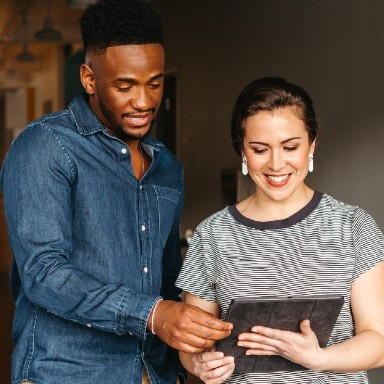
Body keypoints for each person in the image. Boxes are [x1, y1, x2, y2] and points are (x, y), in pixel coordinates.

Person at [0, 1, 232, 383]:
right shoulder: (45, 147)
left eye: (154, 84)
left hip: (153, 372)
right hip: (67, 373)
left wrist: (188, 352)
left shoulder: (167, 167)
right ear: (89, 79)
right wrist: (153, 315)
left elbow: (169, 274)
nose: (143, 101)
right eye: (125, 86)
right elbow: (43, 273)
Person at [176, 77, 384, 383]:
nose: (276, 164)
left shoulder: (354, 226)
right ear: (243, 152)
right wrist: (198, 364)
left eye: (290, 147)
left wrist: (320, 358)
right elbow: (191, 346)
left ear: (312, 144)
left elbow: (378, 341)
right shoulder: (212, 235)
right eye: (260, 149)